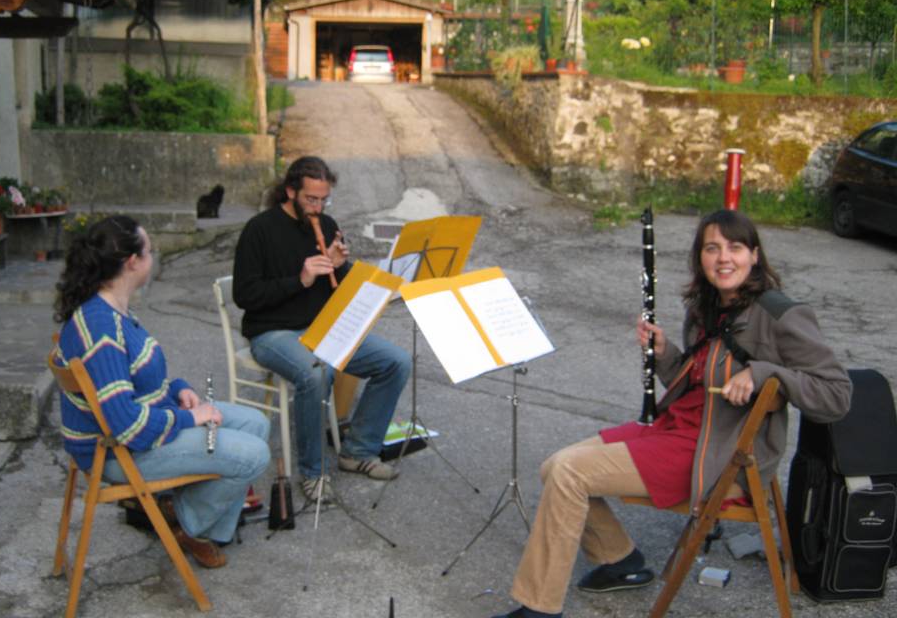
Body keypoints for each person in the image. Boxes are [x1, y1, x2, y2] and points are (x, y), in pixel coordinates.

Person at [494, 209, 852, 618]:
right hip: (677, 429)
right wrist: (666, 355)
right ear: (699, 257)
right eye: (712, 248)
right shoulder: (705, 306)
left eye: (735, 248)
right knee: (553, 467)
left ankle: (539, 609)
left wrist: (764, 373)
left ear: (754, 255)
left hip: (719, 454)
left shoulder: (779, 315)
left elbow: (836, 395)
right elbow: (695, 384)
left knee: (569, 472)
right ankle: (621, 561)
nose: (724, 258)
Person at [53, 215, 270, 569]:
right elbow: (127, 426)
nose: (153, 256)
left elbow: (134, 381)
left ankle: (201, 523)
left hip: (138, 431)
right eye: (150, 250)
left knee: (255, 424)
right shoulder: (101, 328)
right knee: (253, 454)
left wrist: (177, 389)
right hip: (119, 453)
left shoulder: (112, 309)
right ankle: (188, 523)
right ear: (132, 262)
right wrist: (189, 417)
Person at [233, 156, 411, 503]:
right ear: (290, 191)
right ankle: (313, 473)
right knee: (317, 373)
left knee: (396, 361)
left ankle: (358, 451)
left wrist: (341, 268)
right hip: (272, 331)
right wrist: (299, 279)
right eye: (310, 199)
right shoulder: (260, 229)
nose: (317, 208)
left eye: (323, 199)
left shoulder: (327, 225)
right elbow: (245, 295)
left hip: (322, 327)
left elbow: (336, 289)